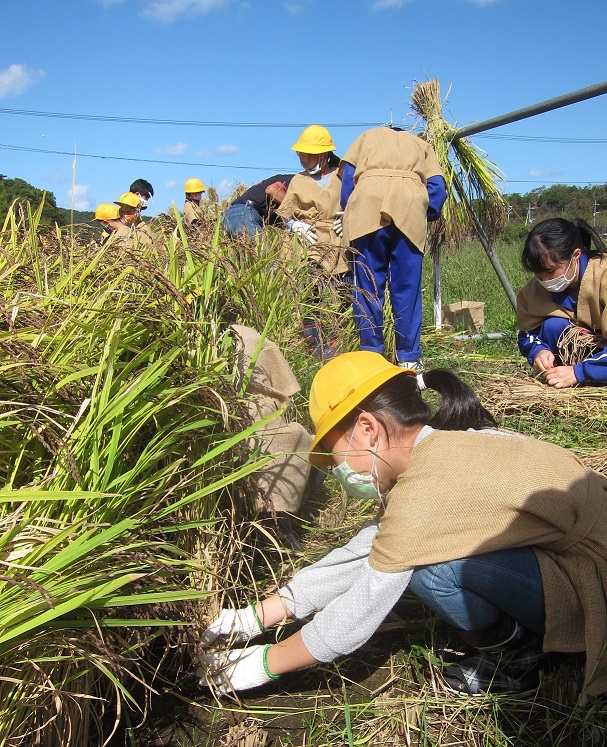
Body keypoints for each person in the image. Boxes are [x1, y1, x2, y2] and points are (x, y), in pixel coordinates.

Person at [198, 350, 607, 698]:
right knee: (418, 553)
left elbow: (357, 614)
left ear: (366, 428)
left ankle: (520, 659)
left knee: (431, 571)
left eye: (333, 454)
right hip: (578, 551)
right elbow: (367, 548)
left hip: (595, 580)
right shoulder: (450, 444)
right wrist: (254, 618)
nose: (339, 472)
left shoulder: (424, 492)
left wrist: (263, 664)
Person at [338, 127, 447, 371]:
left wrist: (351, 207)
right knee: (407, 288)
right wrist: (424, 213)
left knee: (367, 286)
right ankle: (409, 358)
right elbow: (438, 188)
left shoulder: (366, 137)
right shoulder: (420, 144)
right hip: (409, 205)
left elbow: (347, 181)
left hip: (368, 202)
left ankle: (371, 356)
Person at [276, 125, 350, 358]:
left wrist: (350, 216)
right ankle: (317, 347)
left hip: (340, 239)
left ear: (322, 154)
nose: (301, 158)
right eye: (300, 153)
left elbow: (358, 200)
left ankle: (345, 340)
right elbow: (285, 213)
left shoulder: (343, 175)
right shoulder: (298, 181)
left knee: (346, 290)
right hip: (309, 240)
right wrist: (293, 224)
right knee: (309, 292)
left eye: (306, 153)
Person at [517, 217, 607, 388]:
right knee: (553, 326)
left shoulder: (603, 276)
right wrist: (538, 351)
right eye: (537, 272)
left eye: (550, 270)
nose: (543, 279)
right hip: (578, 362)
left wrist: (579, 372)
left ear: (575, 256)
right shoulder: (534, 291)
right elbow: (527, 334)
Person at [222, 174, 294, 238]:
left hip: (231, 216)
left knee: (248, 252)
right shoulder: (295, 181)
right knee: (263, 252)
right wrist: (297, 210)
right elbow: (271, 190)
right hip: (244, 213)